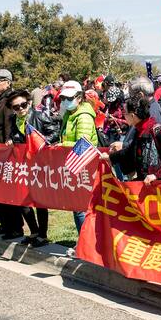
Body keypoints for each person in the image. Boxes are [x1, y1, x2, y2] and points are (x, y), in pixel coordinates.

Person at [6, 89, 59, 246]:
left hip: (39, 164)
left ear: (29, 103)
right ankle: (34, 231)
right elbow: (13, 136)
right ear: (12, 108)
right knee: (23, 200)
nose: (21, 109)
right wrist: (10, 140)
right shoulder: (13, 120)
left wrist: (38, 143)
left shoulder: (39, 116)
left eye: (23, 105)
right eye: (16, 107)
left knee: (40, 200)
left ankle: (42, 235)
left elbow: (55, 133)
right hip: (21, 164)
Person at [0, 69, 25, 239]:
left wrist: (9, 143)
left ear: (7, 82)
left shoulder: (9, 99)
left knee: (7, 189)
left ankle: (14, 227)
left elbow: (9, 124)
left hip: (4, 149)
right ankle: (4, 223)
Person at [103, 94, 161, 184]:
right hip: (146, 185)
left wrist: (156, 175)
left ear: (132, 115)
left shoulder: (158, 130)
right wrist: (111, 158)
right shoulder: (139, 131)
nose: (124, 116)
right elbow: (129, 151)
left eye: (125, 113)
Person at [58, 80, 98, 234]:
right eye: (63, 99)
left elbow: (84, 143)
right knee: (77, 207)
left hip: (85, 164)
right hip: (75, 165)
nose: (66, 102)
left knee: (81, 208)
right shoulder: (70, 114)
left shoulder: (84, 117)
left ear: (79, 97)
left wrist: (63, 145)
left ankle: (85, 241)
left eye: (69, 98)